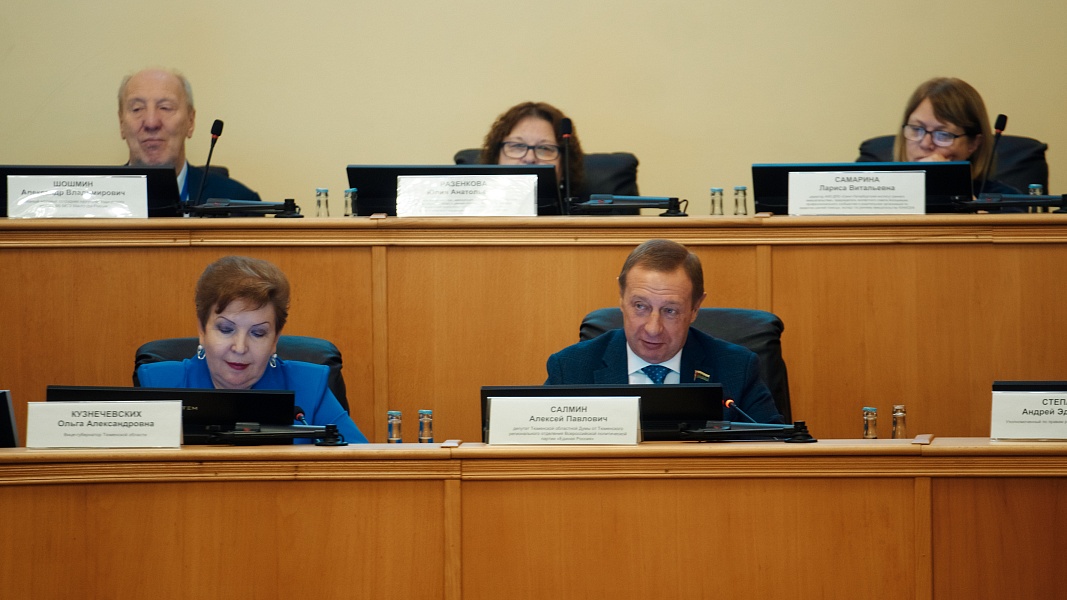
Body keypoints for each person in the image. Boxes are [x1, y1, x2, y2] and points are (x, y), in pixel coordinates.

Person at [544, 239, 783, 424]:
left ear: (695, 308)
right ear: (621, 298)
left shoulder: (736, 369)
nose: (653, 328)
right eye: (640, 306)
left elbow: (774, 451)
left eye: (670, 311)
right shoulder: (571, 369)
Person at [137, 255, 368, 443]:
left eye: (258, 333)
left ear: (275, 338)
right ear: (202, 330)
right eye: (226, 329)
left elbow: (360, 468)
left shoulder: (309, 387)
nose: (240, 347)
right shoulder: (159, 384)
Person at [118, 68, 262, 206]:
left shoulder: (240, 202)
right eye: (137, 109)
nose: (151, 122)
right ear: (121, 123)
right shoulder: (102, 200)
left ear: (190, 121)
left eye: (165, 108)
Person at [895, 77, 1018, 195]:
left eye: (943, 135)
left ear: (973, 143)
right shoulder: (885, 190)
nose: (925, 144)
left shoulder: (1006, 200)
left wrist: (950, 184)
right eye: (916, 129)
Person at [480, 101, 585, 203]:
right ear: (496, 157)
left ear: (565, 164)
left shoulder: (584, 213)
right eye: (517, 146)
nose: (530, 158)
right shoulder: (474, 210)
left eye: (544, 148)